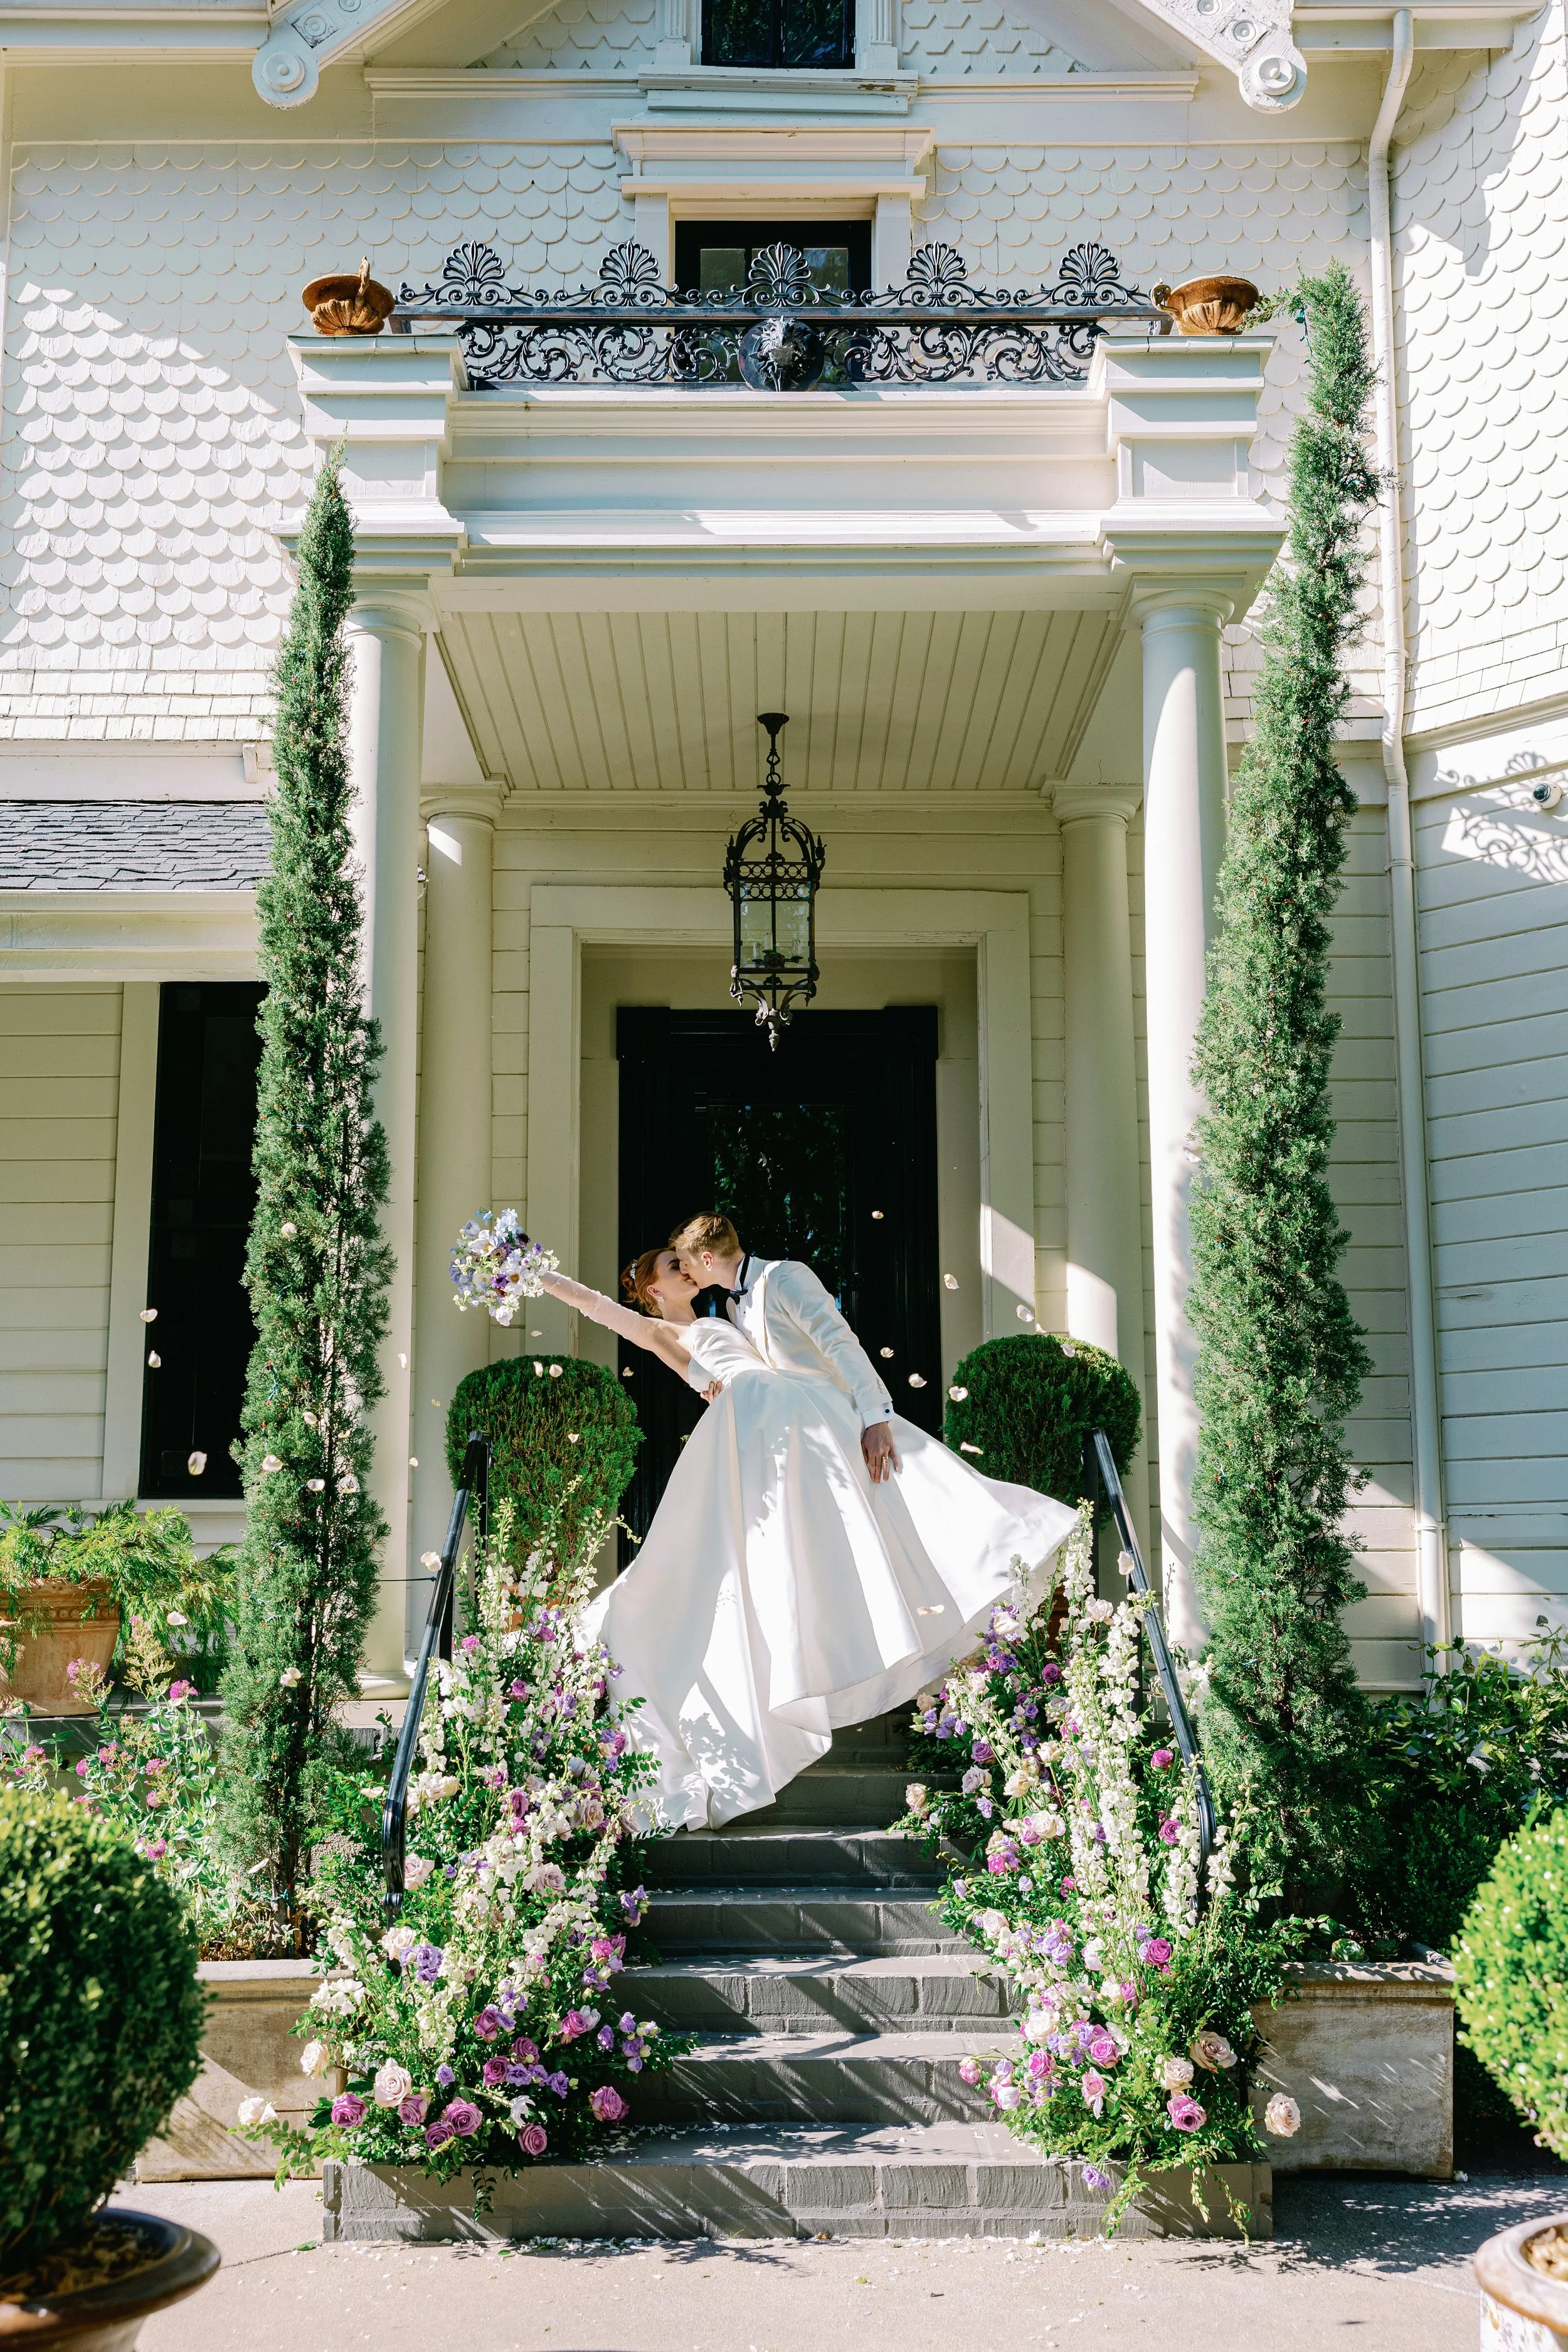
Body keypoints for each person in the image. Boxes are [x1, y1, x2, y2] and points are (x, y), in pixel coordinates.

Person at [534, 1232, 1076, 1831]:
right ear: (653, 1289)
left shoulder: (736, 1309)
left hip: (792, 1417)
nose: (685, 1268)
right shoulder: (666, 1332)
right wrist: (537, 1273)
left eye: (685, 1258)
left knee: (864, 1515)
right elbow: (600, 1309)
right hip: (754, 1428)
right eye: (671, 1265)